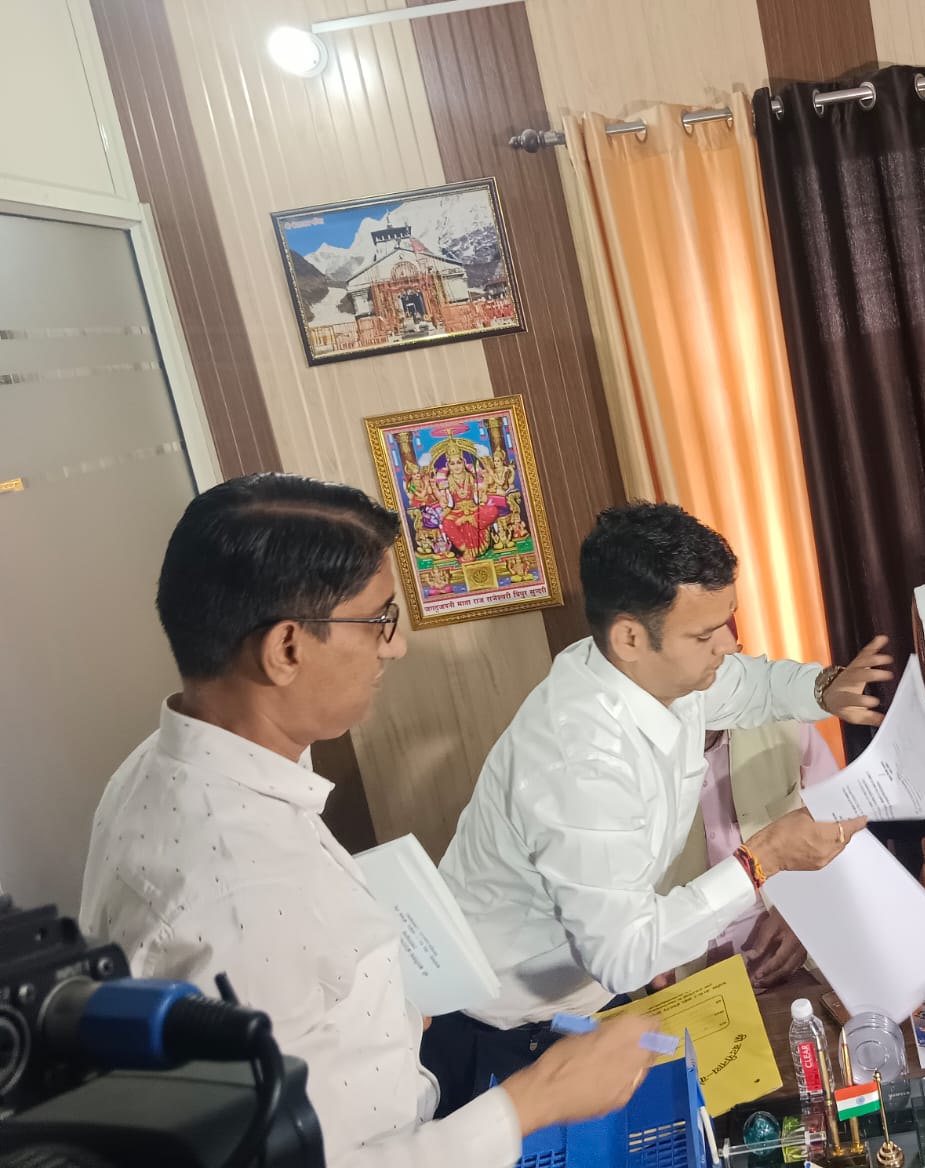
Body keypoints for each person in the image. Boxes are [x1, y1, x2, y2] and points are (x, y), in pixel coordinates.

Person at [78, 473, 658, 1168]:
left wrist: (383, 1008)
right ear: (287, 649)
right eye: (379, 618)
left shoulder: (168, 761)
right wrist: (538, 1099)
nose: (395, 645)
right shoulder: (240, 896)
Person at [427, 502, 890, 1109]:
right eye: (704, 635)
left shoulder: (649, 672)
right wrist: (765, 858)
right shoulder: (578, 760)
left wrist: (824, 688)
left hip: (587, 993)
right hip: (509, 1028)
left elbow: (747, 684)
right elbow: (622, 953)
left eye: (725, 623)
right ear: (629, 636)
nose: (727, 645)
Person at [658, 721, 840, 990]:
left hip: (796, 965)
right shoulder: (618, 758)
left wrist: (804, 914)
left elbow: (842, 830)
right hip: (677, 982)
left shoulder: (787, 721)